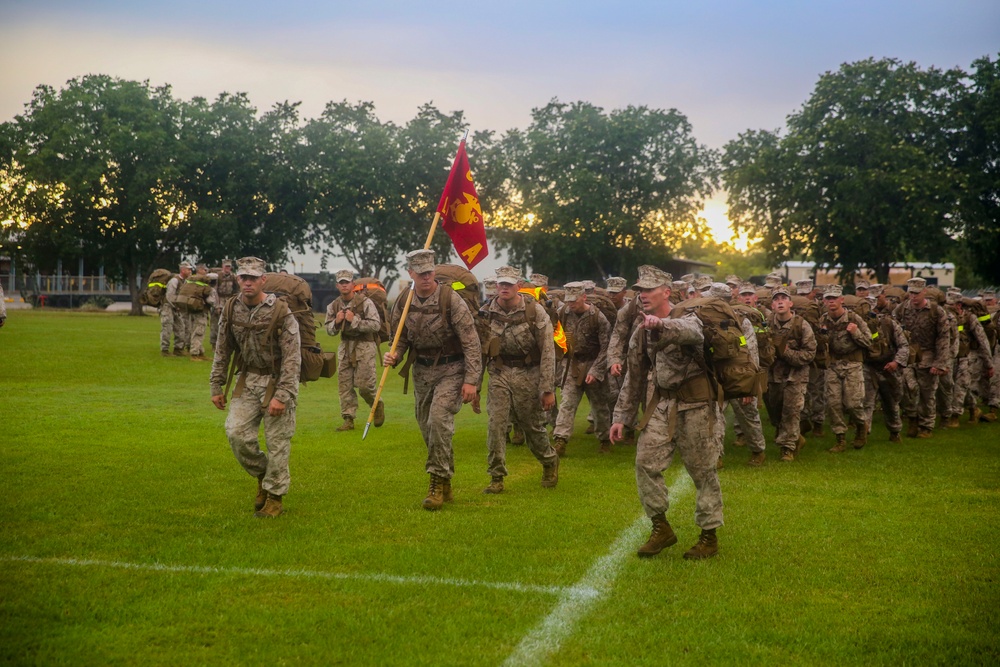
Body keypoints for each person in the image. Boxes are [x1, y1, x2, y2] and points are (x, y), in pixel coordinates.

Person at [610, 265, 723, 560]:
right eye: (640, 290)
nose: (643, 295)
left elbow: (692, 332)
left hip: (696, 405)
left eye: (648, 289)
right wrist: (621, 417)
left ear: (667, 292)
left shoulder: (688, 317)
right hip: (660, 405)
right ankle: (661, 528)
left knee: (703, 471)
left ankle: (708, 536)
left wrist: (661, 326)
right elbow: (634, 375)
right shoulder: (640, 330)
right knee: (645, 463)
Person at [383, 250, 482, 511]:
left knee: (439, 420)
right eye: (421, 273)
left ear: (434, 272)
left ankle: (436, 483)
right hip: (421, 372)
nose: (426, 277)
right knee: (427, 427)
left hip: (452, 368)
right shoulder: (404, 300)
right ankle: (445, 476)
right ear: (411, 273)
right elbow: (400, 337)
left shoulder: (452, 300)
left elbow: (471, 343)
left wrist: (472, 380)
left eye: (429, 272)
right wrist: (394, 355)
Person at [210, 257, 301, 518]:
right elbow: (222, 350)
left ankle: (275, 497)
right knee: (236, 433)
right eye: (243, 277)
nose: (247, 282)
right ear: (238, 279)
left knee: (277, 443)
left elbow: (293, 359)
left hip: (277, 382)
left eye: (253, 278)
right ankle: (263, 474)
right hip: (247, 380)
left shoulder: (281, 311)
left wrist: (282, 396)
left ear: (263, 280)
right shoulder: (230, 308)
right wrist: (216, 385)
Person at [480, 266, 559, 493]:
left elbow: (547, 352)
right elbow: (480, 351)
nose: (503, 288)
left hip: (529, 373)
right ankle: (496, 477)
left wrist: (547, 388)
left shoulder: (535, 311)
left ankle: (548, 460)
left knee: (531, 426)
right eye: (500, 284)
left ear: (518, 286)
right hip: (499, 372)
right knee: (496, 423)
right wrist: (474, 386)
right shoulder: (486, 312)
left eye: (508, 284)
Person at [552, 281, 612, 455]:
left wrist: (596, 371)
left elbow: (606, 347)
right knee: (567, 402)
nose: (571, 304)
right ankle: (560, 440)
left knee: (599, 405)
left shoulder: (598, 317)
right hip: (572, 365)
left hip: (594, 362)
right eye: (568, 300)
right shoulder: (562, 313)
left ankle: (604, 440)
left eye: (574, 300)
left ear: (584, 297)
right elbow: (556, 339)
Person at [325, 269, 384, 432]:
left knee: (365, 385)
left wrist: (354, 320)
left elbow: (375, 325)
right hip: (345, 347)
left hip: (364, 347)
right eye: (341, 282)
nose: (344, 285)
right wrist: (336, 322)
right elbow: (329, 331)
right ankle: (348, 419)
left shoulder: (365, 303)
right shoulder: (333, 305)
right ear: (337, 285)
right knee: (344, 386)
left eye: (347, 282)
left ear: (353, 284)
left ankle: (376, 404)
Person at [892, 277, 951, 438]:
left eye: (917, 293)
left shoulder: (936, 311)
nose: (913, 296)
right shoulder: (901, 309)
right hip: (909, 356)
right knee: (908, 388)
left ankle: (926, 426)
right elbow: (892, 330)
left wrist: (940, 363)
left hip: (928, 355)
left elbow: (944, 338)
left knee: (927, 393)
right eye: (911, 293)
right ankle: (912, 418)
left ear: (924, 292)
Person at [819, 284, 872, 452]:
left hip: (852, 365)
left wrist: (855, 333)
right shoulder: (823, 320)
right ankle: (840, 438)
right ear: (824, 301)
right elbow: (820, 344)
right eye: (828, 298)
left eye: (834, 298)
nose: (831, 301)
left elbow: (869, 342)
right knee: (833, 403)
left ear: (841, 300)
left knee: (852, 403)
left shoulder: (854, 318)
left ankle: (861, 427)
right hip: (833, 365)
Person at [766, 287, 817, 460]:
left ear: (790, 303)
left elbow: (810, 354)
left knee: (791, 411)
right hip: (773, 377)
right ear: (772, 305)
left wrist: (786, 352)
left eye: (783, 298)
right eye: (776, 299)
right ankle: (796, 437)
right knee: (775, 412)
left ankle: (787, 448)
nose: (780, 301)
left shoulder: (801, 325)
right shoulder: (767, 324)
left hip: (795, 376)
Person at [862, 285, 909, 442]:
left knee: (890, 403)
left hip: (888, 367)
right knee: (866, 402)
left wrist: (896, 362)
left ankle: (895, 431)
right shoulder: (859, 325)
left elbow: (903, 345)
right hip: (868, 367)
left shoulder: (889, 323)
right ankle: (864, 433)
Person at [210, 259, 240, 349]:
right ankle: (214, 344)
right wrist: (217, 305)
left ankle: (227, 343)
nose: (228, 268)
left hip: (229, 300)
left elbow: (237, 290)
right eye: (226, 266)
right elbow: (214, 291)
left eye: (229, 266)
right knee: (215, 324)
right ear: (223, 266)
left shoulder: (233, 276)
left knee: (228, 323)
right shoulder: (218, 276)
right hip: (218, 299)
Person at [164, 262, 192, 356]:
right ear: (183, 270)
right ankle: (165, 350)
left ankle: (178, 349)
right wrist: (176, 306)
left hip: (177, 308)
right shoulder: (174, 281)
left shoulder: (185, 281)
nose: (190, 271)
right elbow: (169, 296)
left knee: (181, 328)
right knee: (167, 328)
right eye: (188, 269)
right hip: (168, 307)